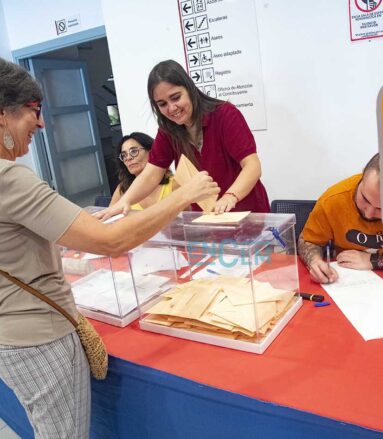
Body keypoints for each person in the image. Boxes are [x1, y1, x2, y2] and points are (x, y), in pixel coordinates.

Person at [0, 57, 219, 439]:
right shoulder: (10, 178)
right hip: (37, 335)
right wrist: (185, 195)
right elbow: (112, 240)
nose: (41, 123)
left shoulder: (222, 118)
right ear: (4, 113)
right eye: (34, 112)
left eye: (175, 98)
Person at [99, 59, 270, 219]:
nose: (172, 108)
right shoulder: (168, 131)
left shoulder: (225, 114)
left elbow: (252, 166)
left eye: (176, 97)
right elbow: (151, 175)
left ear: (189, 89)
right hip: (208, 219)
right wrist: (124, 202)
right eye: (162, 104)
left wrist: (230, 196)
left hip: (247, 213)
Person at [298, 153, 383, 284]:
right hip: (350, 282)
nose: (369, 213)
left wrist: (373, 260)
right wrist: (315, 262)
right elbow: (308, 240)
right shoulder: (333, 200)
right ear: (362, 177)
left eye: (382, 209)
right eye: (364, 198)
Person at [110, 131, 175, 210]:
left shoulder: (174, 183)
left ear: (152, 151)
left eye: (133, 151)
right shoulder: (123, 188)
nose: (128, 158)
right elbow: (109, 218)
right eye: (124, 155)